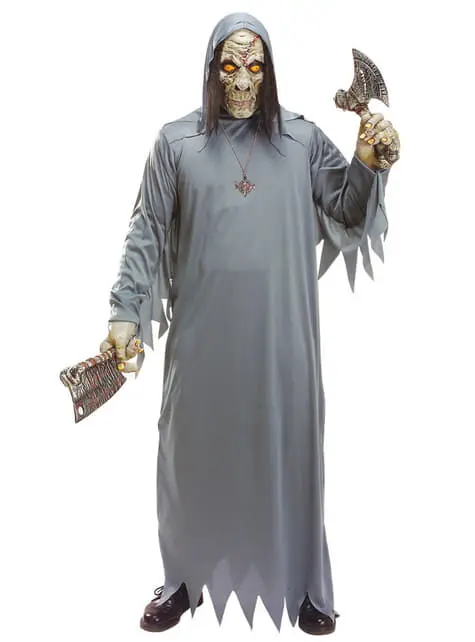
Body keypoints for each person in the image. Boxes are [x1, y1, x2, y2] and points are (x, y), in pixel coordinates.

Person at [99, 12, 400, 636]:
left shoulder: (303, 140)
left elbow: (347, 209)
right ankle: (182, 581)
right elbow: (146, 231)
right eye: (231, 66)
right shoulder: (176, 143)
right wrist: (124, 313)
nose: (242, 80)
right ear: (212, 67)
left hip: (282, 340)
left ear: (270, 71)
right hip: (201, 344)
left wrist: (368, 162)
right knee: (189, 461)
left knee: (290, 454)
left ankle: (307, 588)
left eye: (255, 67)